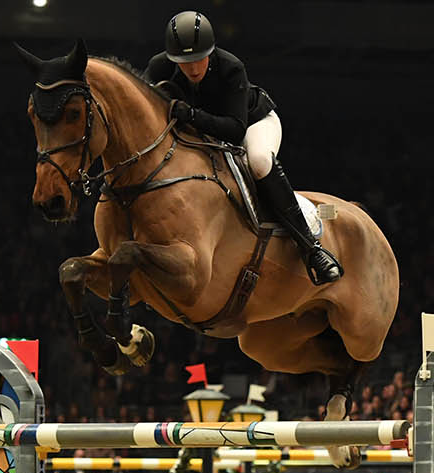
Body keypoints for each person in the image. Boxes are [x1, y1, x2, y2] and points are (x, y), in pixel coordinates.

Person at [145, 10, 343, 286]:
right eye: (183, 61)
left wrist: (189, 114)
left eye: (198, 58)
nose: (191, 68)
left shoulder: (230, 67)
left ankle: (312, 250)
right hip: (201, 136)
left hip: (253, 123)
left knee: (259, 161)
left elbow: (235, 129)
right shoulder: (159, 68)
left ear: (211, 51)